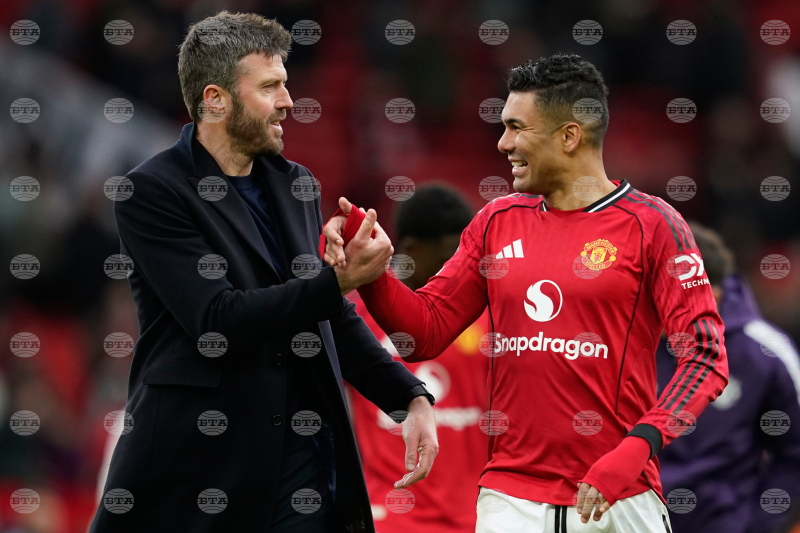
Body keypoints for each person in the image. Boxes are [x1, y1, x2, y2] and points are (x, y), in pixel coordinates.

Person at [322, 53, 729, 532]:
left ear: (569, 136)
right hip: (510, 501)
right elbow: (425, 331)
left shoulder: (653, 225)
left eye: (516, 127)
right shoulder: (497, 222)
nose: (503, 143)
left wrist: (638, 446)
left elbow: (705, 358)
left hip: (618, 496)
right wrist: (371, 271)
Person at [89, 12, 438, 533]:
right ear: (215, 99)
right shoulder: (152, 192)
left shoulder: (297, 184)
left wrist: (408, 396)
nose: (288, 101)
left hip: (301, 464)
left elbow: (326, 313)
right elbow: (217, 320)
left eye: (286, 84)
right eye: (270, 87)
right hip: (199, 468)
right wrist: (338, 280)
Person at [345, 185, 491, 533]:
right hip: (391, 516)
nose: (460, 273)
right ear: (411, 250)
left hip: (475, 517)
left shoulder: (486, 316)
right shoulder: (354, 317)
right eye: (448, 260)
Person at [656, 222, 800, 533]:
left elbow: (794, 455)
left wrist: (754, 524)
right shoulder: (615, 339)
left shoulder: (764, 352)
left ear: (713, 297)